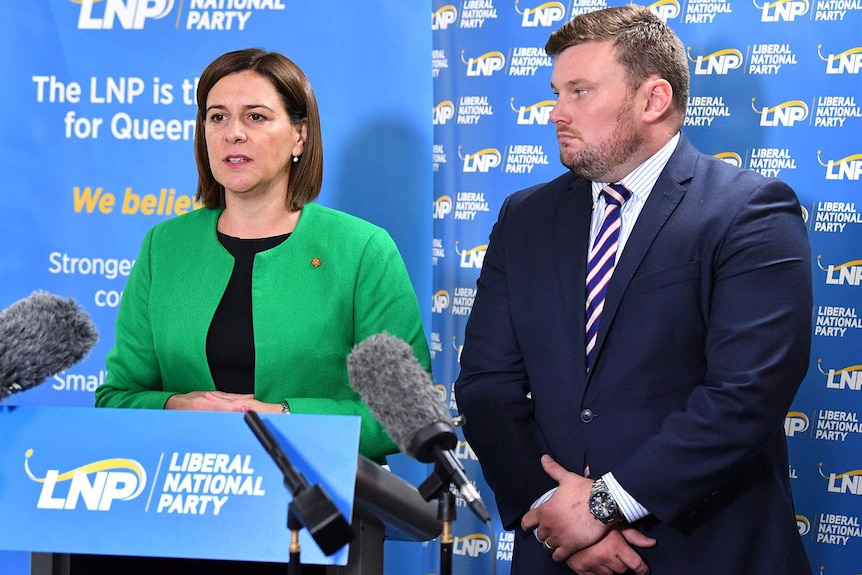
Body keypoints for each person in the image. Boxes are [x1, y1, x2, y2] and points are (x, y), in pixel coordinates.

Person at [454, 6, 813, 575]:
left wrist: (604, 505)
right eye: (556, 92)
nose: (556, 113)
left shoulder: (750, 213)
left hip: (704, 551)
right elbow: (485, 386)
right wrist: (556, 514)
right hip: (558, 555)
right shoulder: (525, 216)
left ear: (653, 100)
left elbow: (746, 394)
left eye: (579, 91)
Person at [92, 48, 431, 575]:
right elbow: (116, 399)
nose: (233, 133)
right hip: (180, 524)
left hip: (319, 529)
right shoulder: (165, 246)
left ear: (299, 136)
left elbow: (403, 416)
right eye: (217, 116)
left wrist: (281, 420)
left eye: (256, 117)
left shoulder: (361, 249)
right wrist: (179, 407)